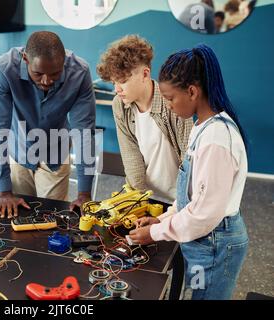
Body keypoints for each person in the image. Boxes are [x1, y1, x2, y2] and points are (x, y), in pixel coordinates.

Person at [129, 44, 249, 300]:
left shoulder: (216, 139)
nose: (168, 105)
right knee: (196, 293)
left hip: (215, 243)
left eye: (170, 98)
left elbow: (205, 214)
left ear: (192, 91)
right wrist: (162, 219)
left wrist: (154, 234)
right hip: (202, 239)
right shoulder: (201, 127)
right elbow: (193, 195)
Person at [0, 31, 96, 219]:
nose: (46, 81)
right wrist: (4, 191)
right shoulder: (4, 69)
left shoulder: (79, 72)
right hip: (18, 150)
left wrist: (84, 193)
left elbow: (84, 132)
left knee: (52, 219)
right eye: (38, 73)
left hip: (55, 152)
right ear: (25, 59)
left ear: (64, 62)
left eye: (55, 73)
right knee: (18, 219)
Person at [96, 35, 193, 204]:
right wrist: (138, 201)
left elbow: (189, 159)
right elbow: (130, 156)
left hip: (180, 198)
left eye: (123, 81)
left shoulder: (172, 101)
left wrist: (182, 206)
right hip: (147, 196)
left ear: (145, 74)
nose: (117, 89)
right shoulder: (119, 105)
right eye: (113, 83)